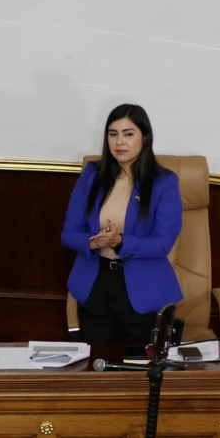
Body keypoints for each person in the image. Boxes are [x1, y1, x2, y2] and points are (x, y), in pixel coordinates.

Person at [61, 104, 183, 343]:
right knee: (98, 365)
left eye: (128, 134)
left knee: (139, 369)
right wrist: (94, 241)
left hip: (142, 288)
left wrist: (119, 241)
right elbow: (68, 232)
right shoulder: (92, 174)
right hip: (95, 282)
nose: (119, 142)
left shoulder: (164, 182)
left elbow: (162, 243)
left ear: (144, 137)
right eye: (113, 134)